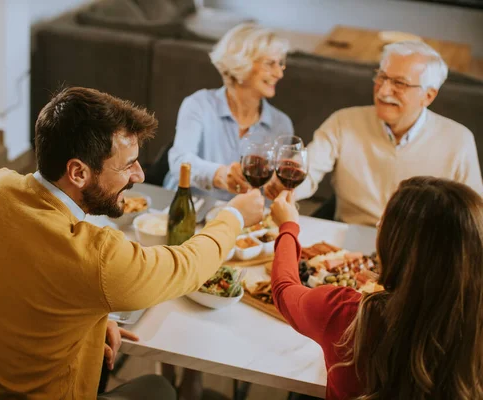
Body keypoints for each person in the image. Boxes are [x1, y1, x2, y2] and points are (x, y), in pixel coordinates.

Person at [0, 87, 265, 399]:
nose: (139, 175)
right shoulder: (98, 257)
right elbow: (186, 266)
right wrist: (233, 217)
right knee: (158, 388)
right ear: (78, 172)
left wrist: (90, 319)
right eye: (127, 165)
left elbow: (23, 282)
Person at [269, 177, 483, 399]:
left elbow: (284, 289)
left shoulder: (347, 315)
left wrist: (288, 227)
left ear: (394, 247)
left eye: (382, 224)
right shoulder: (472, 331)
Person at [264, 40, 483, 226]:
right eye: (382, 77)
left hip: (419, 249)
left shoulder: (458, 140)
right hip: (350, 239)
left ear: (428, 96)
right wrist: (283, 185)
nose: (384, 91)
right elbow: (307, 171)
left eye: (399, 83)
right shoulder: (344, 122)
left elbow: (474, 215)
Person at [164, 23, 294, 201]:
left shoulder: (281, 124)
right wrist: (221, 175)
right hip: (187, 208)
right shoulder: (199, 104)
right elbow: (179, 161)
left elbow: (271, 193)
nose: (279, 73)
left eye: (280, 64)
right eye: (270, 63)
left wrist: (277, 187)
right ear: (241, 63)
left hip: (242, 220)